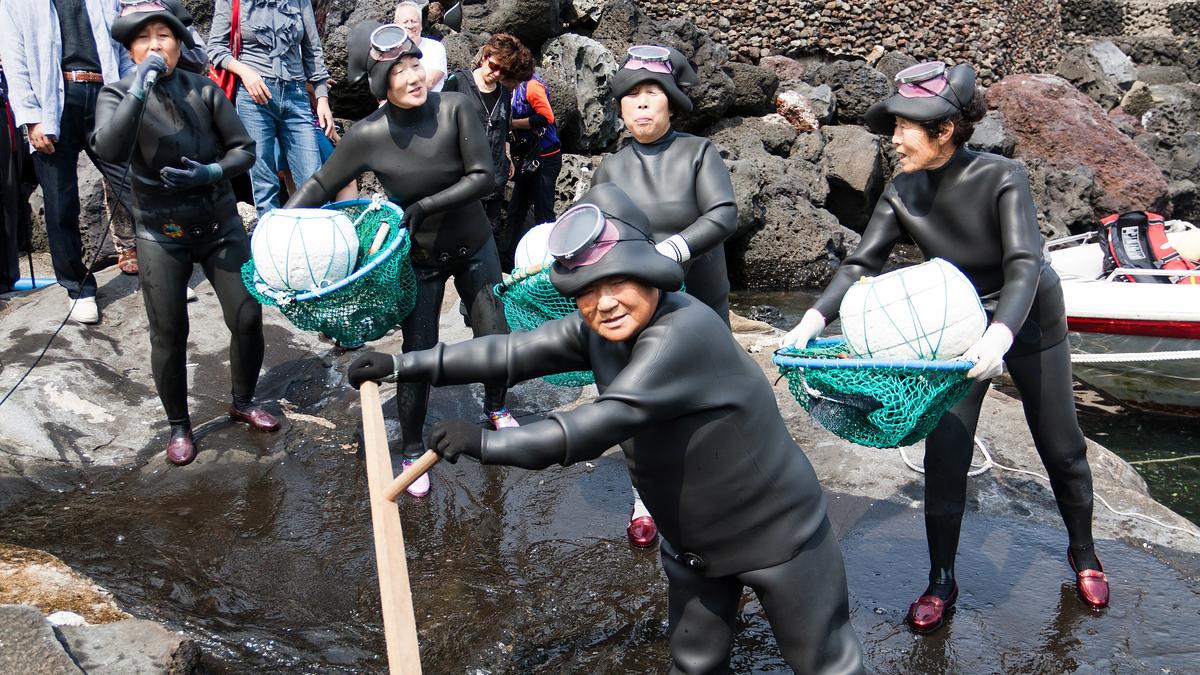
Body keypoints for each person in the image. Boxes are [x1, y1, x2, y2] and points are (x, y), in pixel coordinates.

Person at [346, 184, 865, 674]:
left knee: (824, 663)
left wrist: (484, 442)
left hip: (779, 536)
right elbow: (509, 351)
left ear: (649, 274)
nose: (606, 302)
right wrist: (403, 366)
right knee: (694, 664)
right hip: (694, 547)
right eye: (589, 291)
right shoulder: (599, 328)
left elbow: (594, 426)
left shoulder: (682, 334)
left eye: (620, 282)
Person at [782, 61, 1109, 632]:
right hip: (952, 325)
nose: (895, 139)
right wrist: (812, 319)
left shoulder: (1002, 175)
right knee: (945, 455)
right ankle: (941, 579)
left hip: (1026, 314)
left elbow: (1024, 262)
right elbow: (862, 262)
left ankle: (1084, 553)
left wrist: (1001, 333)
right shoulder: (902, 190)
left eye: (907, 126)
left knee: (1059, 444)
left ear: (946, 130)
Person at [285, 23, 516, 498]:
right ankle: (412, 448)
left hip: (474, 245)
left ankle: (495, 407)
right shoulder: (367, 135)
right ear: (379, 82)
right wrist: (277, 226)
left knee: (494, 331)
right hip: (421, 259)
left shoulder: (455, 107)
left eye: (415, 65)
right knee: (418, 355)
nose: (413, 77)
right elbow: (320, 185)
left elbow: (485, 177)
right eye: (400, 70)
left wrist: (427, 205)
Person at [90, 0, 278, 466]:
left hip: (218, 224)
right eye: (144, 38)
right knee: (169, 332)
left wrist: (211, 171)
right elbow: (109, 147)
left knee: (248, 317)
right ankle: (179, 426)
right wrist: (140, 88)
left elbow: (245, 150)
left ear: (178, 43)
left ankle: (242, 400)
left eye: (164, 36)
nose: (155, 45)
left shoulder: (204, 89)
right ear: (131, 49)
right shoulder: (115, 95)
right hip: (160, 232)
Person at [592, 45, 739, 547]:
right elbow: (594, 230)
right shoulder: (611, 169)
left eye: (651, 93)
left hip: (700, 298)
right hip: (638, 308)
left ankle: (715, 489)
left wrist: (674, 248)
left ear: (671, 102)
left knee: (707, 398)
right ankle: (645, 498)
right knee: (640, 398)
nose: (641, 104)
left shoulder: (699, 152)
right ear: (620, 109)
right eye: (630, 96)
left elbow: (722, 215)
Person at [0, 0, 140, 323]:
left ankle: (164, 269)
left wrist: (129, 92)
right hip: (54, 100)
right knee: (61, 203)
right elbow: (15, 55)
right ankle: (78, 288)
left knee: (136, 183)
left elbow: (122, 44)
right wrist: (31, 118)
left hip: (104, 93)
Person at [207, 0, 335, 215]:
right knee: (264, 183)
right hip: (253, 96)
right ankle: (273, 244)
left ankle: (320, 242)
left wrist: (322, 98)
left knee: (313, 179)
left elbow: (313, 49)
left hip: (297, 94)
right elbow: (216, 48)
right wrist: (245, 73)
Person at [443, 34, 534, 239]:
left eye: (503, 71)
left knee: (488, 233)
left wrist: (508, 153)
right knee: (459, 232)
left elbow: (504, 127)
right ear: (485, 56)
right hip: (462, 173)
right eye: (494, 66)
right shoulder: (458, 81)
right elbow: (440, 123)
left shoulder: (504, 93)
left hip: (494, 174)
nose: (497, 73)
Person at [505, 67, 561, 271]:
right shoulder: (511, 88)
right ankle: (509, 259)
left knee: (543, 210)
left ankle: (551, 262)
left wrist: (512, 124)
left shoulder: (532, 87)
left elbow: (547, 117)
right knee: (515, 209)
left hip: (545, 158)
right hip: (527, 159)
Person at [393, 1, 446, 93]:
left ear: (421, 25)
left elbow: (429, 82)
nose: (410, 26)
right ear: (396, 25)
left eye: (414, 21)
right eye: (405, 22)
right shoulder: (390, 51)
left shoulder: (435, 47)